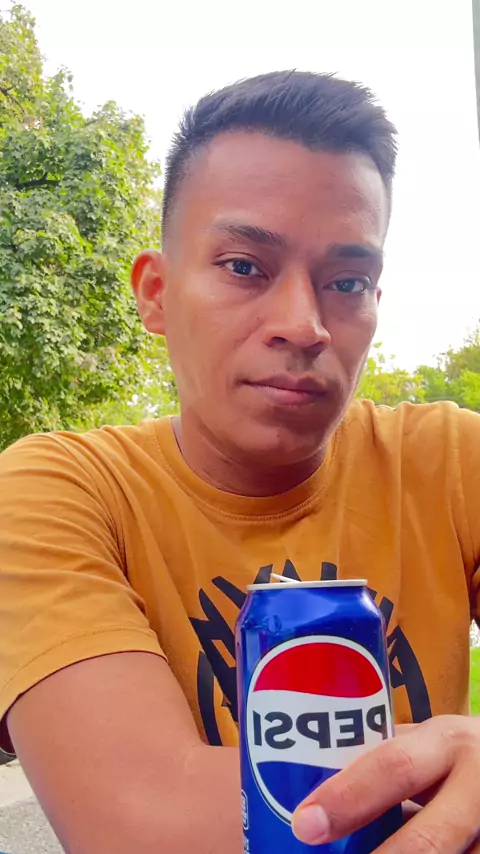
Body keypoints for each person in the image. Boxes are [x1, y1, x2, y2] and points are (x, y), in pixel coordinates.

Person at [0, 69, 479, 854]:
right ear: (156, 294)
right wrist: (451, 788)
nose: (303, 324)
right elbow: (139, 820)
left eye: (347, 282)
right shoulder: (58, 492)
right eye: (244, 267)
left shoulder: (454, 461)